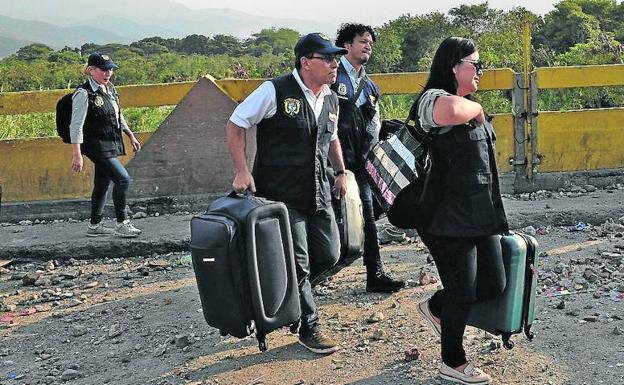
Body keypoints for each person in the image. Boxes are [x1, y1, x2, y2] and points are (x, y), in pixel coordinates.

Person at [225, 33, 348, 354]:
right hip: (280, 197)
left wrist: (341, 172)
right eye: (328, 58)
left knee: (332, 254)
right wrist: (241, 170)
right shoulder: (274, 90)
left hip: (319, 191)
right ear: (306, 62)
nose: (336, 64)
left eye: (337, 58)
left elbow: (330, 137)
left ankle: (289, 297)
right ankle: (310, 326)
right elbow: (236, 124)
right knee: (300, 262)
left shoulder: (331, 97)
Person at [414, 37, 509, 385]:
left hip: (479, 214)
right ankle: (452, 362)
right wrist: (478, 110)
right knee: (462, 290)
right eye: (475, 64)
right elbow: (449, 112)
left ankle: (436, 307)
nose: (481, 70)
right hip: (445, 217)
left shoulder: (467, 103)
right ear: (455, 66)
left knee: (494, 282)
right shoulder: (431, 101)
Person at [331, 23, 404, 293]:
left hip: (359, 163)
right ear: (346, 45)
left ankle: (374, 274)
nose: (368, 46)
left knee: (369, 214)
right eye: (362, 41)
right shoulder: (331, 77)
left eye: (370, 42)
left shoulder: (371, 86)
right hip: (331, 160)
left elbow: (374, 124)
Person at [70, 52, 142, 238]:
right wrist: (77, 154)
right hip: (96, 145)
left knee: (102, 183)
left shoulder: (110, 89)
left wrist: (130, 134)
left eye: (110, 69)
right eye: (103, 69)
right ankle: (122, 223)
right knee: (123, 179)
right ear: (91, 70)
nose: (108, 72)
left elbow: (118, 115)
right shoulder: (84, 93)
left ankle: (95, 225)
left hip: (111, 141)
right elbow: (76, 125)